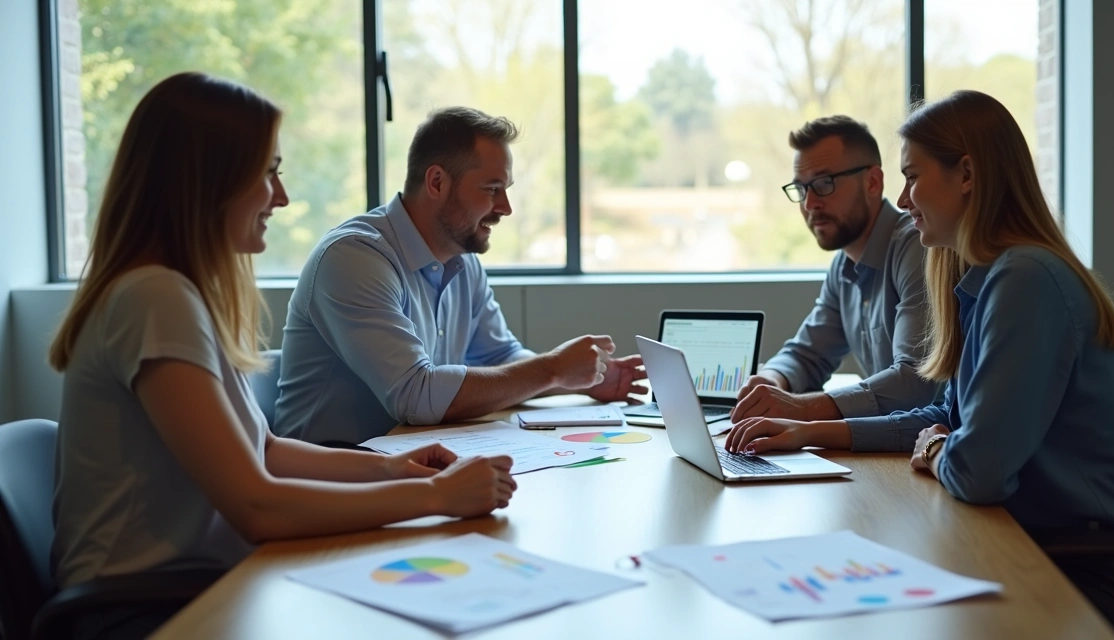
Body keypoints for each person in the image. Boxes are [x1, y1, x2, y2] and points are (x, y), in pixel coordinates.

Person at [48, 73, 515, 637]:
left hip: (205, 582)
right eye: (268, 172)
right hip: (145, 612)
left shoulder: (179, 293)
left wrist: (390, 468)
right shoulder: (154, 298)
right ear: (209, 180)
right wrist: (431, 495)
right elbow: (256, 506)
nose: (282, 196)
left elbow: (263, 449)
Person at [728, 90, 1114, 639]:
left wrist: (939, 449)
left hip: (1097, 571)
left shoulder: (1025, 280)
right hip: (1045, 540)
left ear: (966, 174)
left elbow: (975, 469)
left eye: (913, 177)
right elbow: (943, 411)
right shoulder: (985, 277)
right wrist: (809, 432)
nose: (906, 199)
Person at [273, 107, 646, 446]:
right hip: (330, 485)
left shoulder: (462, 262)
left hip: (409, 465)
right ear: (436, 182)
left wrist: (577, 377)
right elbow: (415, 396)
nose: (505, 208)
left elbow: (501, 359)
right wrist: (551, 370)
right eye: (491, 189)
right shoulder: (355, 257)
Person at [728, 115, 940, 450]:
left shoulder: (917, 246)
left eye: (824, 183)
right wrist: (770, 383)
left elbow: (915, 382)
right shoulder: (844, 265)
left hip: (928, 453)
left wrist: (802, 408)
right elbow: (808, 354)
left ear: (873, 182)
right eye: (801, 189)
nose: (810, 204)